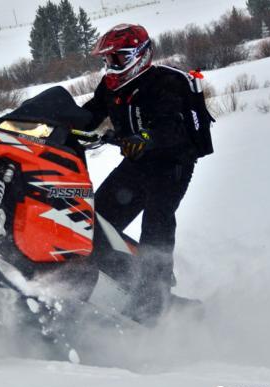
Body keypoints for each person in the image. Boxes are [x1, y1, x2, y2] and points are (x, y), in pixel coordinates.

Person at [82, 23, 213, 324]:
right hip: (136, 164)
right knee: (94, 220)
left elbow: (172, 127)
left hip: (171, 165)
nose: (110, 66)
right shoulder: (111, 86)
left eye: (116, 59)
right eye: (107, 60)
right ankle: (127, 277)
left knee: (157, 220)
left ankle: (154, 298)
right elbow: (89, 115)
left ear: (139, 55)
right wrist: (53, 121)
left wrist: (146, 137)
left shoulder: (166, 83)